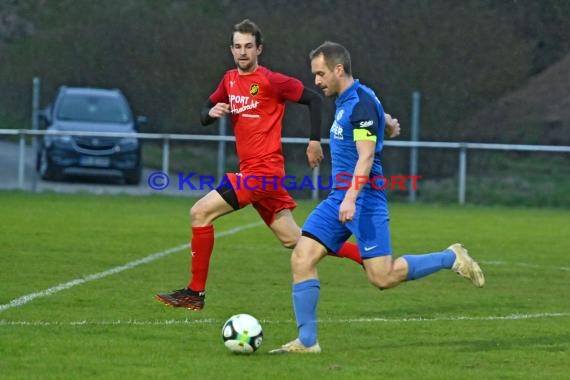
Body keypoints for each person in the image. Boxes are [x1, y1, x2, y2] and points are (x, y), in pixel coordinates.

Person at [155, 20, 401, 311]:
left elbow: (312, 99)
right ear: (231, 50)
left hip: (263, 173)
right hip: (255, 174)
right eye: (237, 46)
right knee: (294, 239)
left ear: (259, 49)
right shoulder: (229, 81)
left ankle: (194, 293)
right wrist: (211, 112)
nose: (242, 52)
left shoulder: (272, 81)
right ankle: (367, 259)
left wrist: (313, 141)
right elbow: (203, 113)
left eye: (248, 46)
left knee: (199, 213)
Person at [269, 41, 485, 354]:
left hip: (364, 201)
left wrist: (351, 199)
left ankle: (451, 257)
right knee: (302, 257)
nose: (316, 81)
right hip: (338, 198)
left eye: (320, 74)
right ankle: (307, 341)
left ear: (338, 69)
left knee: (382, 277)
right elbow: (373, 121)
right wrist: (389, 125)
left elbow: (366, 157)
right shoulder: (349, 100)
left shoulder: (360, 102)